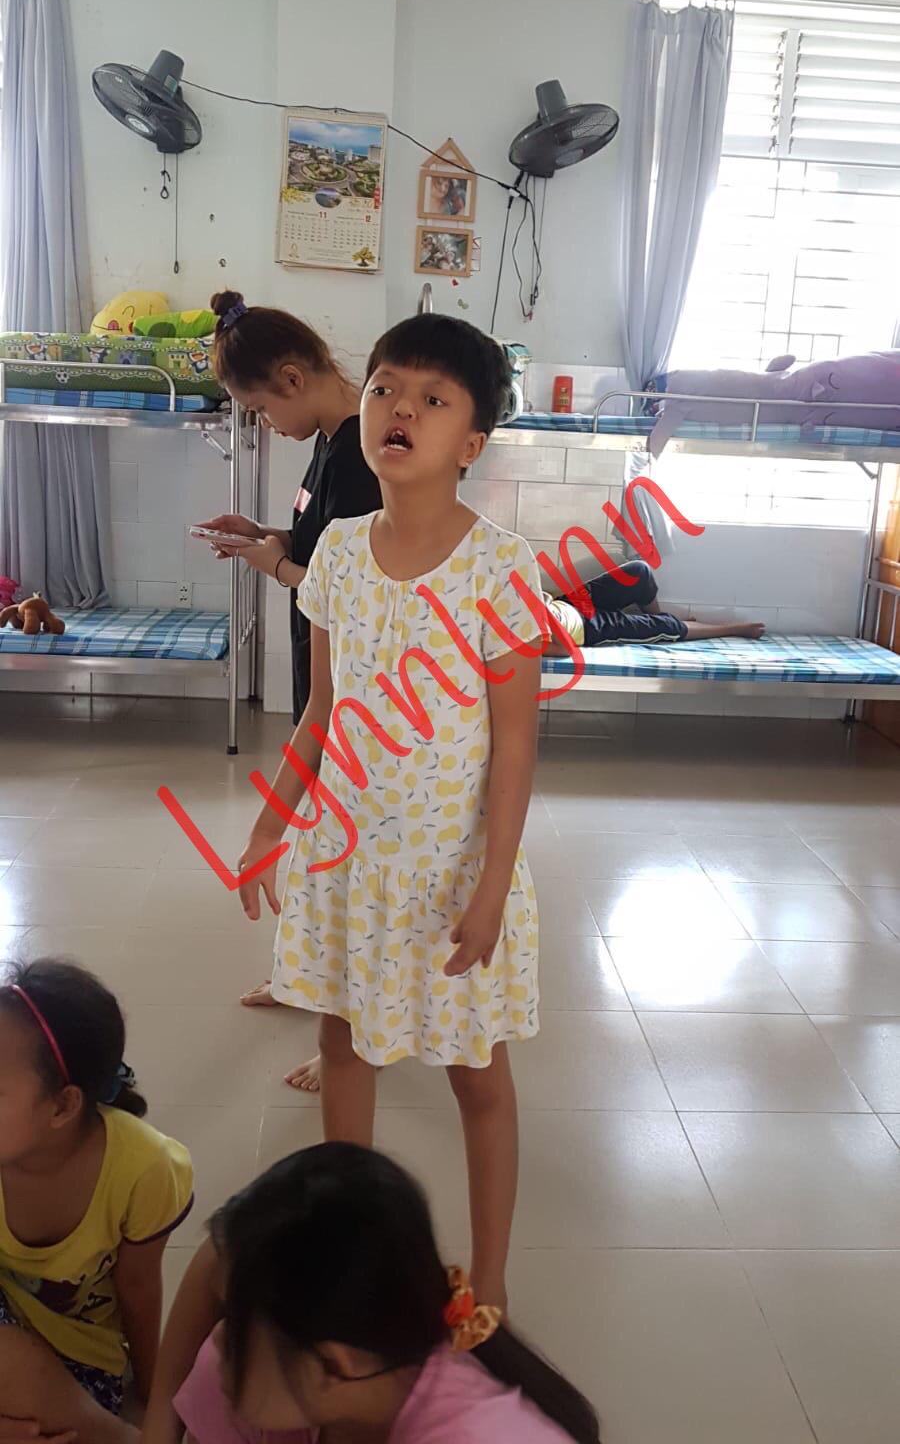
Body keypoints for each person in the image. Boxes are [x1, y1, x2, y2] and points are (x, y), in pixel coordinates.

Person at [234, 313, 546, 1310]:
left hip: (454, 872)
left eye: (432, 398)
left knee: (476, 1074)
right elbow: (323, 711)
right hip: (347, 863)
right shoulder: (335, 554)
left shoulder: (502, 568)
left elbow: (515, 747)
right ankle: (351, 1253)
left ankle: (489, 1280)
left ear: (472, 442)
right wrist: (271, 825)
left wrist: (493, 885)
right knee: (344, 1045)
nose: (398, 408)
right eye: (383, 389)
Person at [143, 1144, 600, 1444]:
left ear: (332, 1365)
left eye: (241, 1329)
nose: (219, 1337)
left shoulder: (484, 1434)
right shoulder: (340, 1368)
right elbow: (219, 1255)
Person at [0, 961, 193, 1444]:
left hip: (80, 1359)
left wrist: (151, 1395)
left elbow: (140, 1289)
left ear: (64, 1105)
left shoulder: (143, 1168)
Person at [196, 291, 381, 726]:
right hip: (322, 659)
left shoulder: (358, 457)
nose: (265, 423)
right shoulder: (330, 439)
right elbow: (327, 545)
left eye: (261, 408)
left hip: (350, 676)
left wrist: (277, 567)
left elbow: (354, 591)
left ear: (292, 379)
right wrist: (262, 535)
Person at [542, 559, 766, 651]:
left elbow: (543, 595)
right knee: (667, 627)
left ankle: (657, 620)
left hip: (570, 603)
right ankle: (732, 629)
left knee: (639, 571)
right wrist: (544, 612)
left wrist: (544, 602)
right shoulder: (524, 644)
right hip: (589, 628)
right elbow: (564, 649)